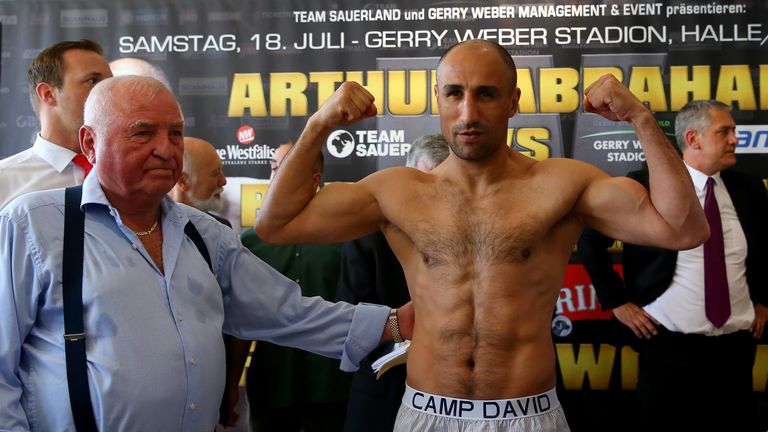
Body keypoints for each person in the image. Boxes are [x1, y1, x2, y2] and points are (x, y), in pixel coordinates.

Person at [254, 39, 709, 431]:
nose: (468, 112)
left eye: (486, 94)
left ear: (512, 102)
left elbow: (682, 229)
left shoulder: (564, 184)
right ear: (438, 99)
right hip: (426, 410)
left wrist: (642, 119)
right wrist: (318, 126)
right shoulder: (396, 191)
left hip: (527, 414)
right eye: (455, 93)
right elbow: (277, 224)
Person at [0, 75, 413, 431]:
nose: (166, 149)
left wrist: (396, 323)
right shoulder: (34, 224)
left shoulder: (204, 234)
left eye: (175, 133)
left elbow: (290, 312)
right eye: (143, 132)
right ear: (90, 142)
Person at [577, 100, 768, 431]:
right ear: (693, 139)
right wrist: (617, 302)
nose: (736, 140)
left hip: (736, 347)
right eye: (725, 132)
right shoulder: (643, 186)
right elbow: (591, 243)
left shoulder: (749, 189)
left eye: (734, 131)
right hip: (667, 347)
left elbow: (765, 249)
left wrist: (763, 300)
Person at [336, 133, 449, 432]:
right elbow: (349, 313)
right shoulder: (368, 235)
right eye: (427, 182)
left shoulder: (478, 236)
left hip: (456, 398)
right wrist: (400, 334)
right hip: (384, 391)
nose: (437, 194)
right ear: (407, 180)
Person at [239, 141, 352, 432]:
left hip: (333, 387)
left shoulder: (350, 237)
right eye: (275, 168)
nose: (276, 176)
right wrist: (229, 386)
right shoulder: (249, 244)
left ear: (315, 179)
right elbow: (238, 323)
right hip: (270, 387)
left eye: (287, 168)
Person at [168, 136, 251, 429]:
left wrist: (229, 387)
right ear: (182, 180)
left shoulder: (220, 232)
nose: (224, 181)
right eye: (215, 172)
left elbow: (241, 316)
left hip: (211, 395)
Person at [0, 39, 112, 209]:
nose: (110, 91)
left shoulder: (134, 174)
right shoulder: (5, 182)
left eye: (111, 83)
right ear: (48, 94)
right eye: (93, 81)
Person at [169, 136, 230, 225]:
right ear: (183, 181)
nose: (223, 181)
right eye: (215, 174)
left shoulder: (221, 229)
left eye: (221, 170)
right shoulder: (152, 230)